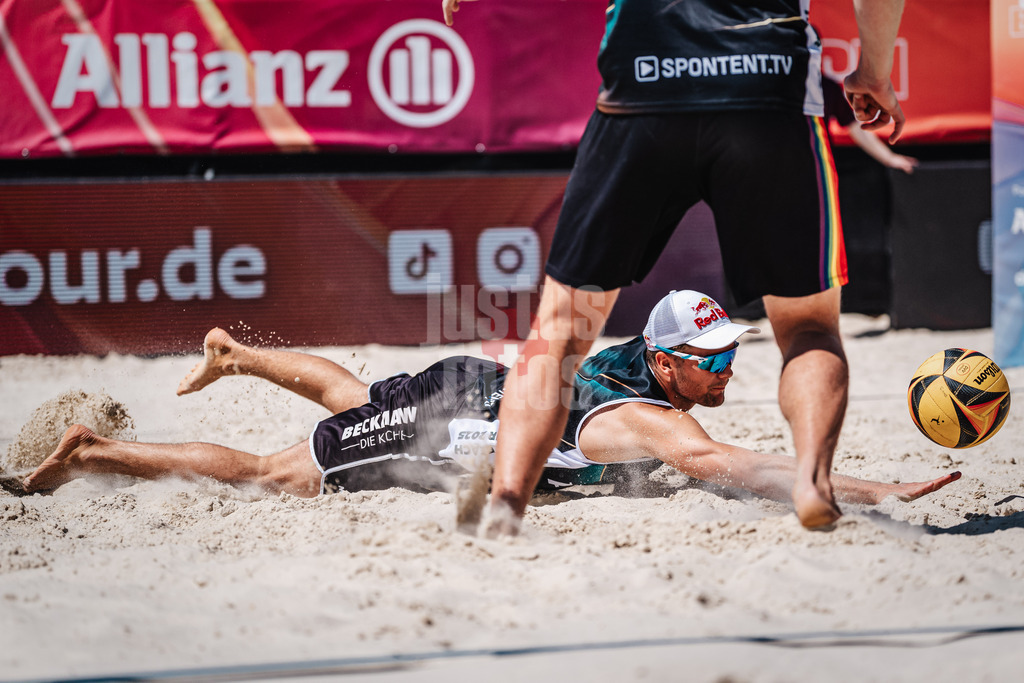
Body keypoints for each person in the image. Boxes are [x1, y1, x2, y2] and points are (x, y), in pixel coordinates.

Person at [442, 0, 909, 532]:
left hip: (645, 83)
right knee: (808, 331)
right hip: (764, 85)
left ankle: (506, 504)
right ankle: (811, 484)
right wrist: (874, 69)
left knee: (560, 334)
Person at [21, 291, 959, 517]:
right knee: (283, 474)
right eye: (711, 359)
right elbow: (731, 465)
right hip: (455, 419)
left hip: (474, 384)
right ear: (667, 363)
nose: (726, 370)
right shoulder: (651, 418)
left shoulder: (639, 360)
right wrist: (868, 487)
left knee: (353, 397)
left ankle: (238, 355)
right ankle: (96, 451)